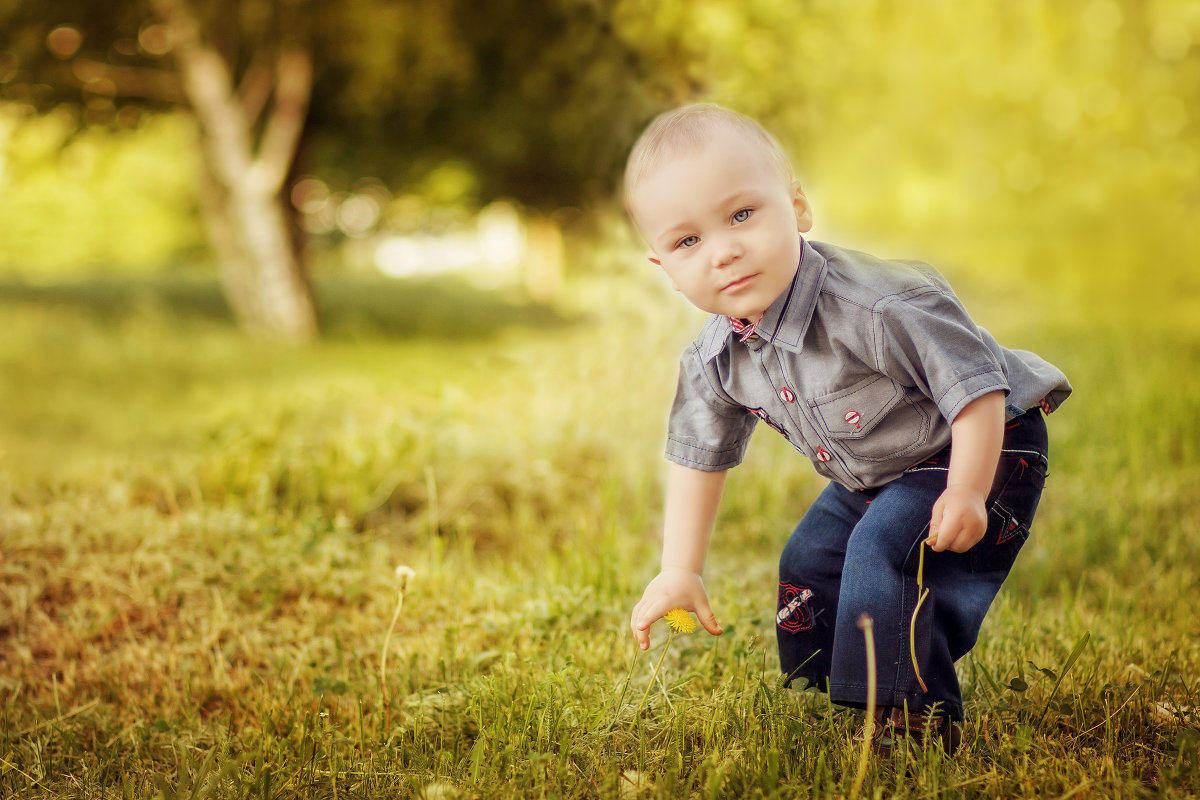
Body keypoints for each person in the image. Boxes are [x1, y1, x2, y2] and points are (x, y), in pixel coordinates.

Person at [625, 103, 1071, 753]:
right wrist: (678, 569)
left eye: (742, 214)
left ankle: (912, 717)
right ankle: (838, 689)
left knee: (884, 551)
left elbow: (978, 391)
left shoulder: (878, 304)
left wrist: (970, 492)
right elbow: (700, 458)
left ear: (798, 208)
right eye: (688, 241)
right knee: (809, 562)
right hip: (880, 467)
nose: (723, 252)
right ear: (664, 268)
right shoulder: (714, 357)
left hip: (983, 442)